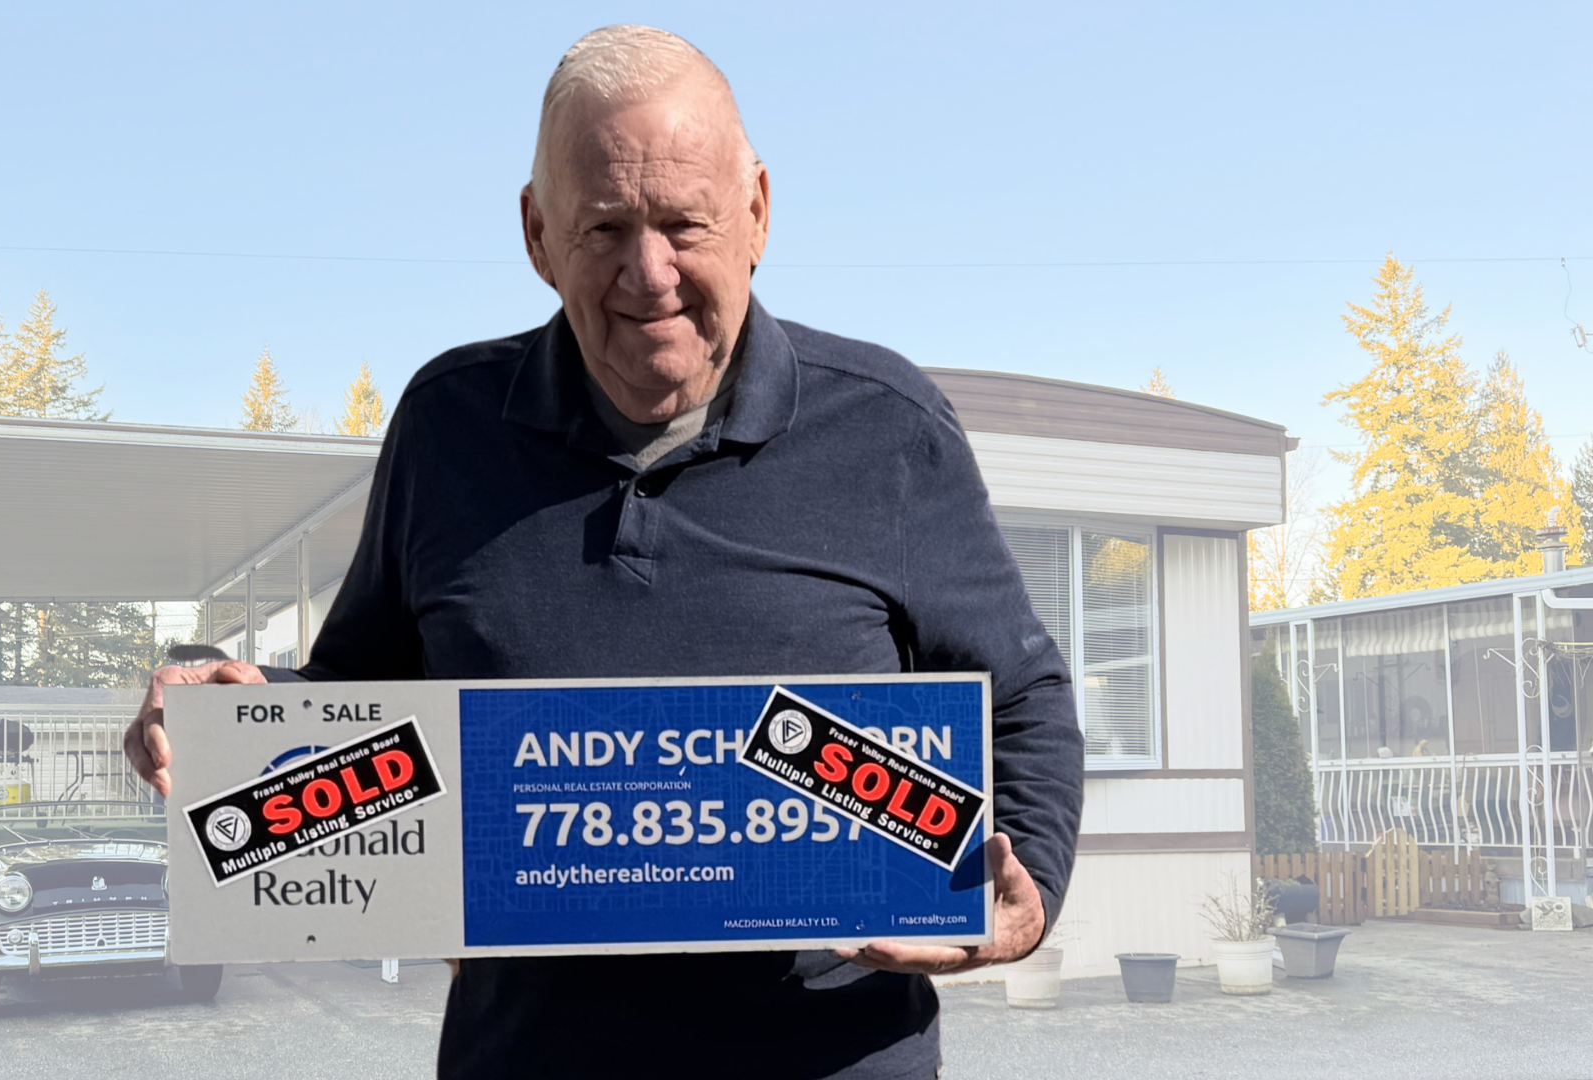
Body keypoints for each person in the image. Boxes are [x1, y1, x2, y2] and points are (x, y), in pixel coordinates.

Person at [127, 25, 1083, 1079]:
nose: (649, 272)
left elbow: (1021, 694)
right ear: (538, 234)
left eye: (684, 223)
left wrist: (1024, 892)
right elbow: (366, 700)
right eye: (605, 227)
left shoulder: (888, 430)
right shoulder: (449, 427)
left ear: (758, 212)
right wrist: (236, 714)